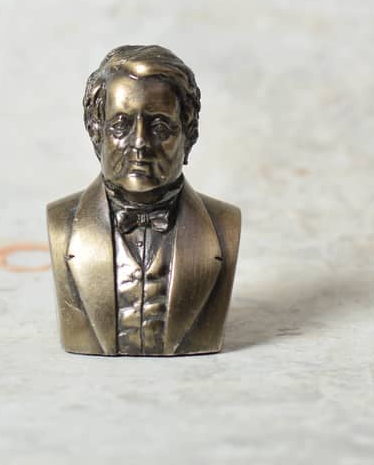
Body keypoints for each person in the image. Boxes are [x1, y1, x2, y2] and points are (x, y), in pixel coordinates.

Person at [47, 45, 241, 356]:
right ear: (97, 133)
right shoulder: (62, 223)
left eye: (159, 127)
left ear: (188, 135)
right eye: (121, 125)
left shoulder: (224, 225)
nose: (140, 143)